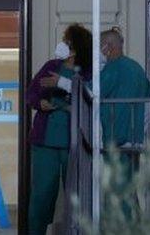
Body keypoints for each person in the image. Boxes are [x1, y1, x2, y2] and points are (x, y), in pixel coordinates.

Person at [25, 23, 93, 235]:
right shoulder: (51, 66)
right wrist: (39, 103)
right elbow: (30, 94)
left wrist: (62, 85)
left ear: (77, 45)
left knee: (77, 198)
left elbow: (90, 98)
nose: (64, 44)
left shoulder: (89, 73)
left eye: (68, 40)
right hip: (45, 144)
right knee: (41, 197)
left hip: (74, 145)